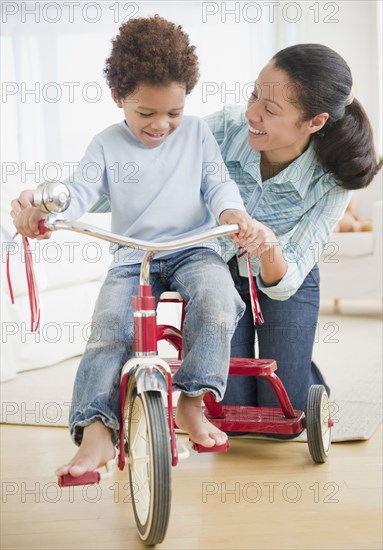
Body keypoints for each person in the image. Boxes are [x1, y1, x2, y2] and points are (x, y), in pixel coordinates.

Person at [10, 16, 263, 478]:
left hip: (193, 247)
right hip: (132, 255)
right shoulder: (106, 146)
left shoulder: (197, 135)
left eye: (173, 112)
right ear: (118, 99)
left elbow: (218, 184)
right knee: (109, 328)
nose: (161, 124)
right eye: (146, 113)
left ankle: (192, 399)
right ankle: (96, 432)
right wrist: (43, 207)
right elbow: (75, 194)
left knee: (219, 298)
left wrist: (232, 215)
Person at [204, 43, 380, 421]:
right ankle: (286, 359)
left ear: (314, 122)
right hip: (218, 271)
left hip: (287, 274)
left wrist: (267, 245)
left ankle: (299, 368)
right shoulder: (222, 128)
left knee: (282, 413)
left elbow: (293, 268)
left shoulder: (332, 179)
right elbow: (150, 170)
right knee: (232, 414)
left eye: (270, 109)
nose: (251, 113)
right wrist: (61, 202)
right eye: (254, 95)